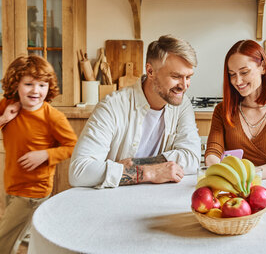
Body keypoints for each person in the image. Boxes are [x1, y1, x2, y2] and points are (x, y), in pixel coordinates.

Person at [0, 55, 77, 254]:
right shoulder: (7, 105)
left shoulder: (53, 117)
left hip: (33, 191)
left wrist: (45, 154)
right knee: (26, 233)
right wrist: (2, 119)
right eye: (29, 84)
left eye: (42, 85)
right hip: (12, 185)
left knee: (3, 243)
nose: (36, 90)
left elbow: (72, 146)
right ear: (16, 85)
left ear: (49, 88)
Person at [69, 35, 201, 188]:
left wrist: (134, 165)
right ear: (150, 71)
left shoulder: (182, 104)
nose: (184, 86)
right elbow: (78, 172)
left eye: (188, 77)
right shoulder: (112, 106)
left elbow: (192, 157)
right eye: (176, 76)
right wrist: (148, 172)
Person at [204, 40, 266, 179]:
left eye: (244, 72)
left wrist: (249, 175)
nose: (237, 81)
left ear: (263, 67)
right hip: (235, 186)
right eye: (232, 74)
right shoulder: (222, 110)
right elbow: (213, 151)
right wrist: (219, 171)